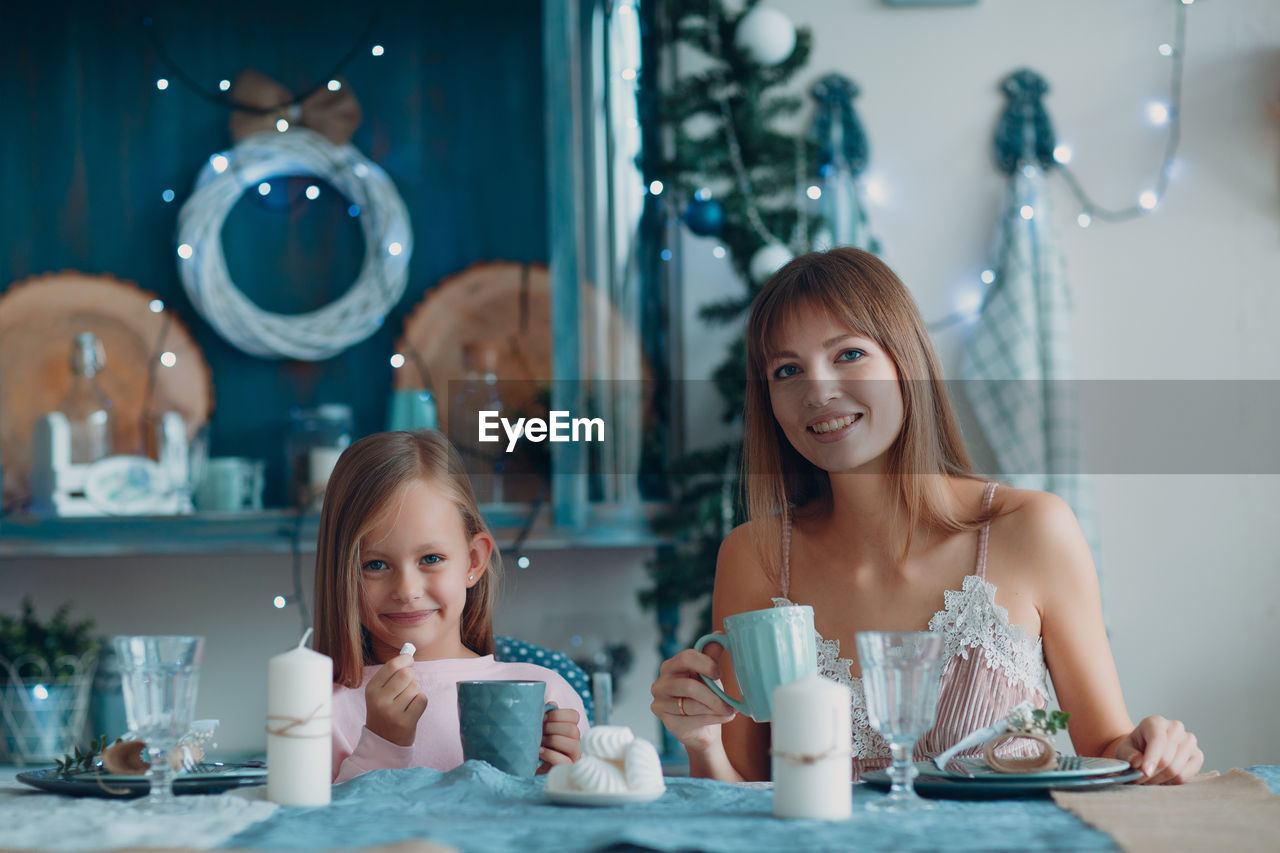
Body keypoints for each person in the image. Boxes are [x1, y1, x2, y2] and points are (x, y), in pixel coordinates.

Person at [651, 247, 1202, 785]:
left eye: (848, 354)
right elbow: (745, 792)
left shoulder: (1032, 529)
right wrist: (703, 742)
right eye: (787, 370)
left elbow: (1108, 751)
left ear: (905, 362)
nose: (817, 391)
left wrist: (1152, 749)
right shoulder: (756, 555)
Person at [314, 430, 586, 783]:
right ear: (342, 573)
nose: (407, 590)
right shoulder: (319, 708)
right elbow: (319, 830)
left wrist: (564, 777)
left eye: (431, 558)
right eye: (375, 565)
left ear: (473, 561)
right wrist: (382, 743)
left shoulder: (545, 691)